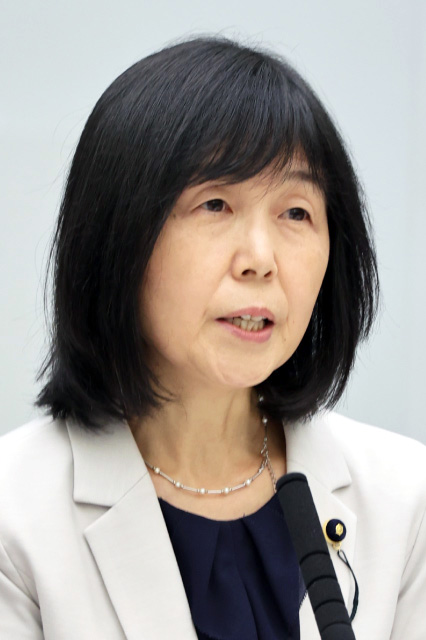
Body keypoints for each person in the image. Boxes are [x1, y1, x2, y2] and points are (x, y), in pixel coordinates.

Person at [0, 36, 425, 640]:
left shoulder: (407, 499)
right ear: (118, 235)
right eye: (216, 204)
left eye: (296, 213)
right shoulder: (14, 516)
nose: (260, 259)